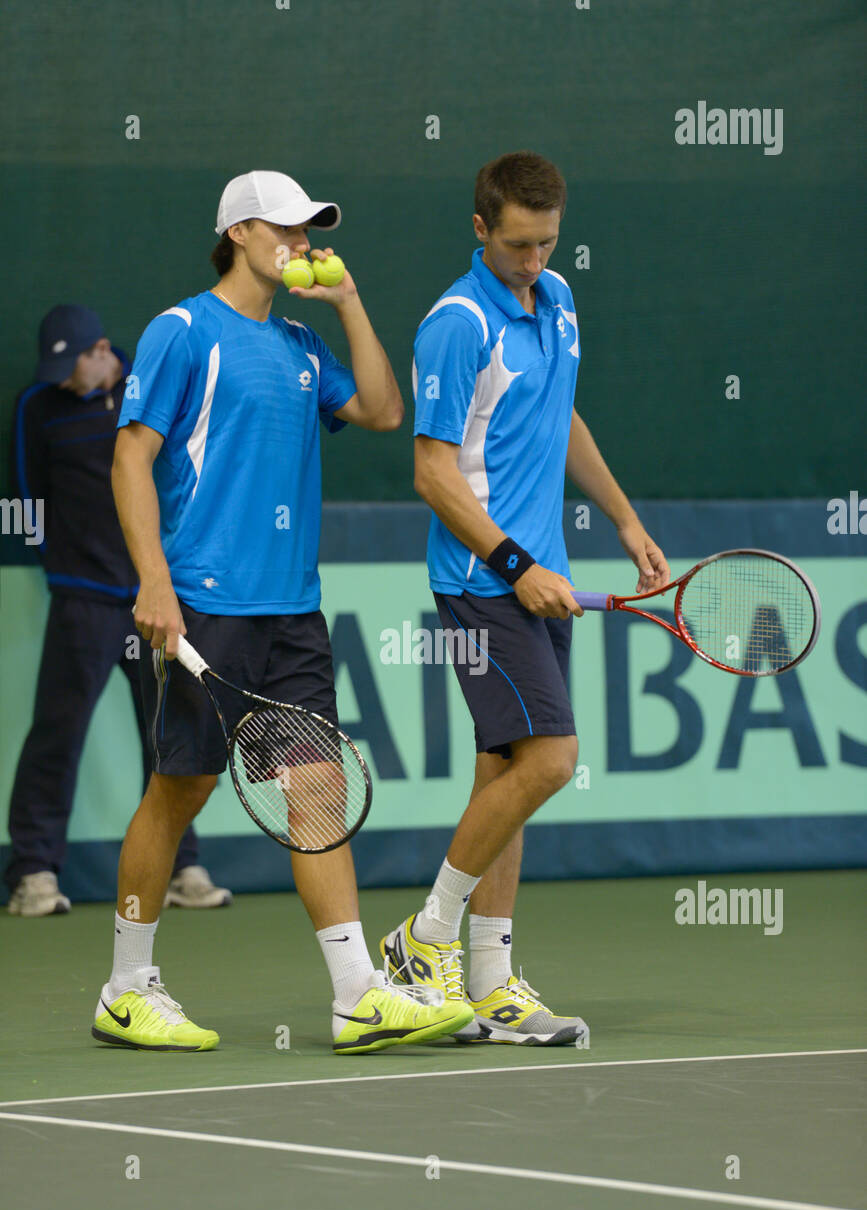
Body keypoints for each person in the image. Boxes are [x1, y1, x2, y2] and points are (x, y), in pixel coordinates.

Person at [96, 169, 472, 1054]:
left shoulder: (305, 347)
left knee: (318, 789)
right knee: (179, 788)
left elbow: (384, 410)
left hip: (293, 610)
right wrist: (154, 581)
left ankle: (356, 995)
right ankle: (124, 986)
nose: (302, 243)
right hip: (205, 602)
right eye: (289, 229)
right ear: (239, 232)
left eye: (310, 232)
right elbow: (129, 459)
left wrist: (348, 302)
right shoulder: (184, 331)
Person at [382, 151, 671, 1044]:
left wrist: (622, 519)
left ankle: (493, 981)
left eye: (547, 243)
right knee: (549, 760)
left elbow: (560, 418)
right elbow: (431, 473)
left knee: (504, 776)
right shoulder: (457, 323)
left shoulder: (558, 303)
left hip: (539, 578)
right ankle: (421, 939)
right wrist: (516, 567)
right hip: (482, 581)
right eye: (516, 245)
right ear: (480, 230)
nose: (533, 260)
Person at [5, 305, 230, 918]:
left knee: (170, 738)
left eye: (73, 361)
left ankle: (182, 867)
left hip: (155, 602)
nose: (64, 377)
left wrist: (159, 575)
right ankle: (33, 872)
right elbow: (24, 496)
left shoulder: (148, 385)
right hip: (82, 602)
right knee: (57, 734)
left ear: (104, 351)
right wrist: (61, 564)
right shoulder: (39, 405)